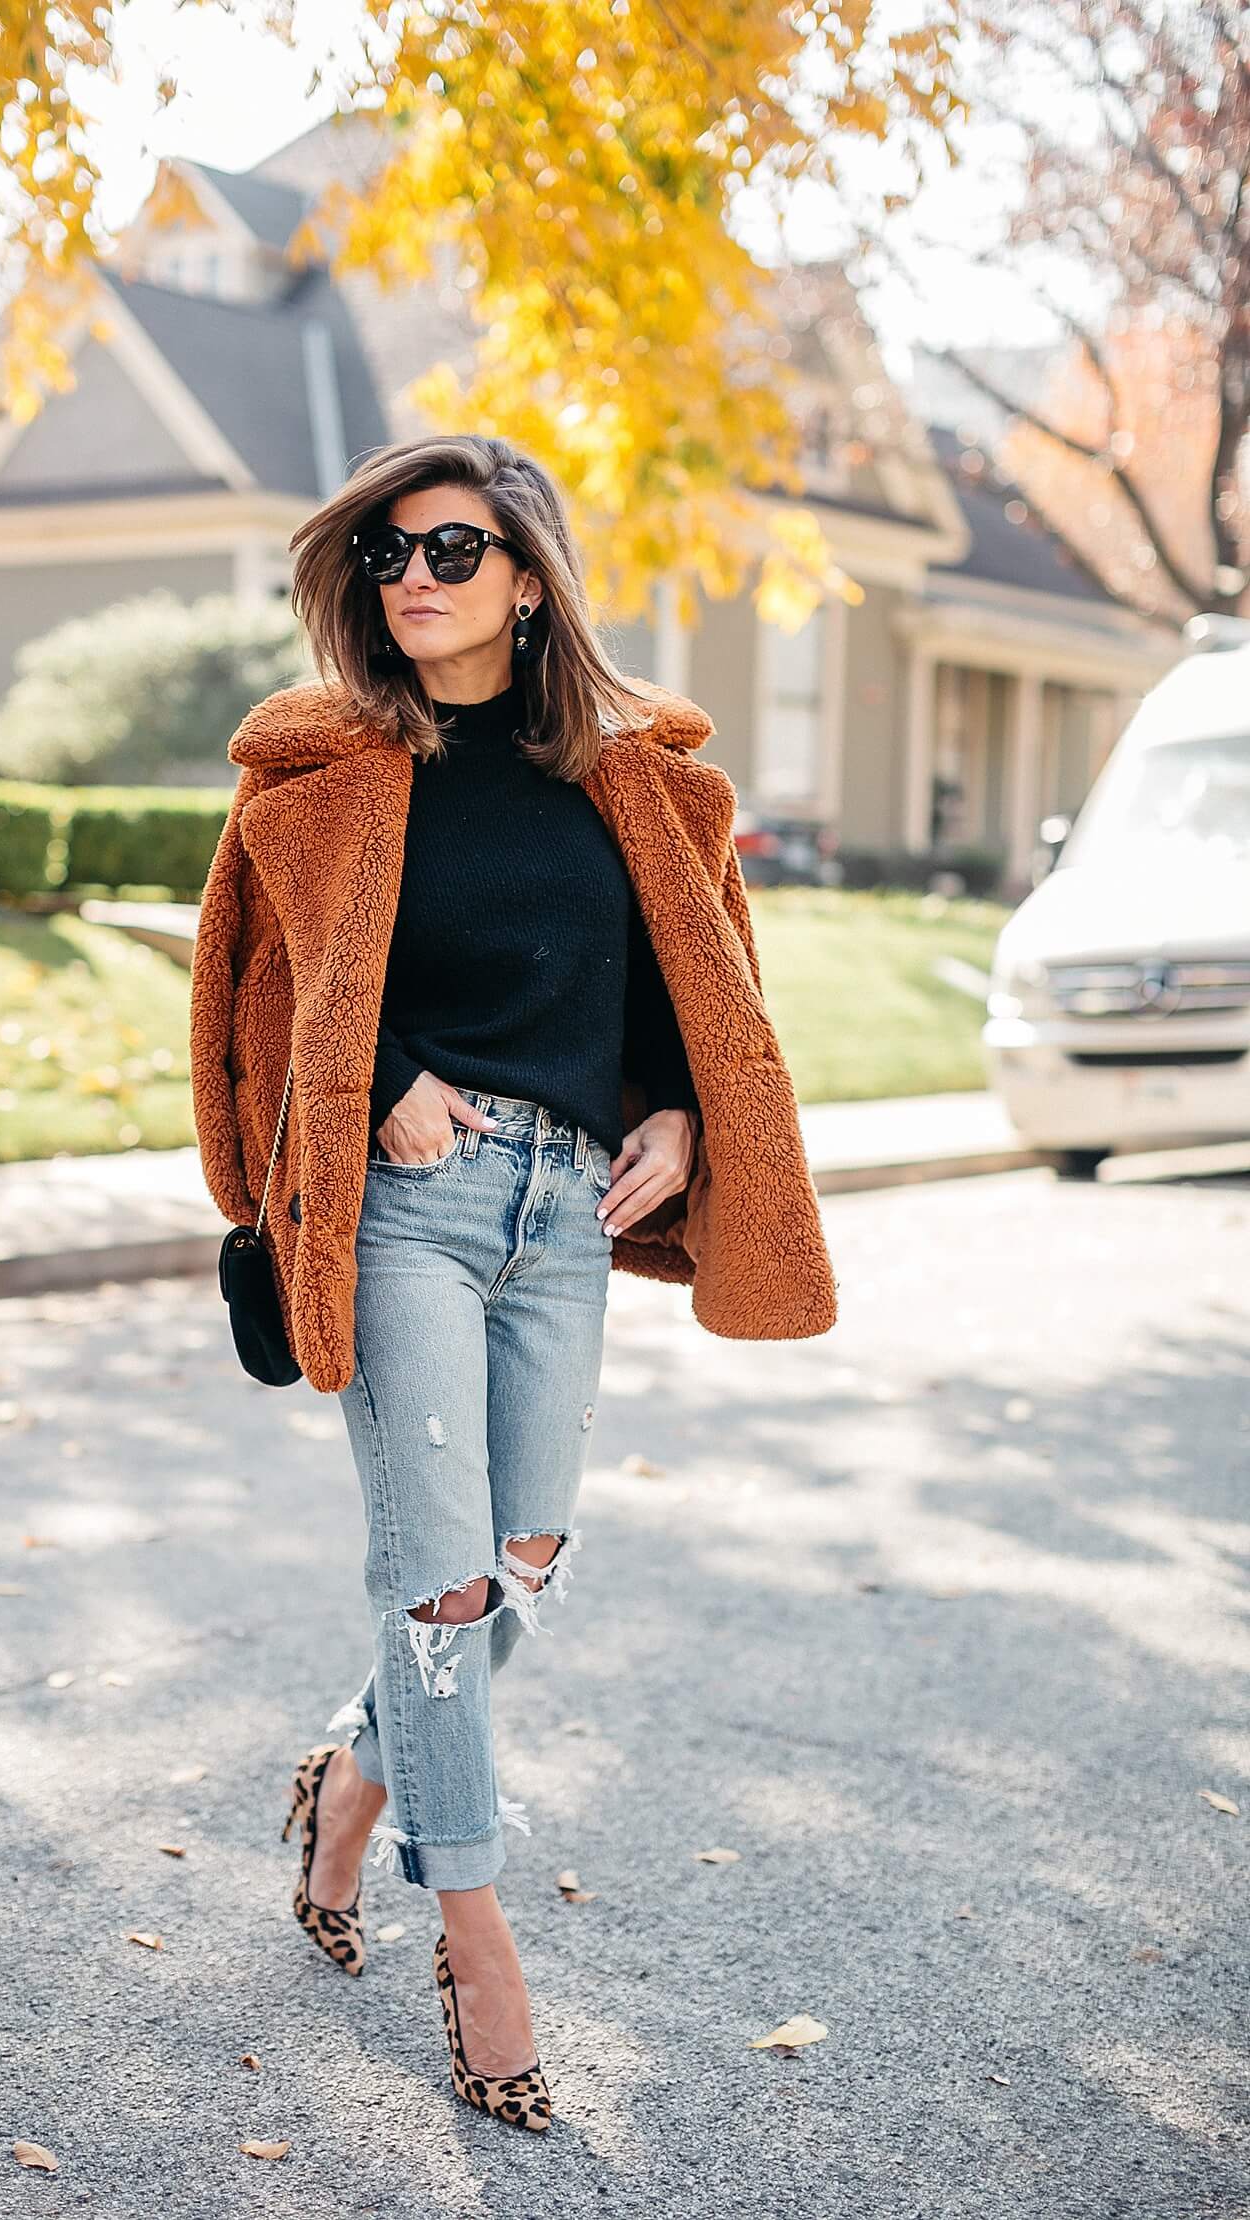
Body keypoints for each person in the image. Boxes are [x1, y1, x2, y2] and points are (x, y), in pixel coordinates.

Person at [190, 432, 838, 2133]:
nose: (413, 579)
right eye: (391, 556)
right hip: (406, 1199)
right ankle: (478, 1945)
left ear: (532, 579)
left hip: (567, 1209)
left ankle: (351, 1780)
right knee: (442, 1586)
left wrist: (685, 1120)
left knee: (524, 1555)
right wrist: (383, 1073)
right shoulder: (314, 778)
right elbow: (266, 1002)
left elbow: (700, 1005)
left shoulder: (639, 786)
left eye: (453, 551)